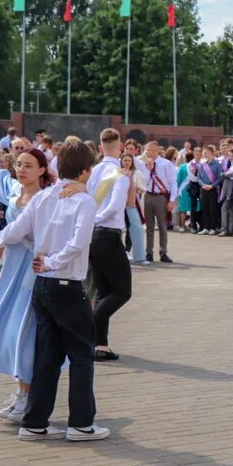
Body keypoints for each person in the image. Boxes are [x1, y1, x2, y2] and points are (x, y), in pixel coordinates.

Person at [0, 140, 109, 442]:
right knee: (82, 354)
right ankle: (82, 423)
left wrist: (9, 241)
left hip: (42, 286)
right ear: (86, 171)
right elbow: (79, 242)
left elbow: (11, 233)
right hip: (65, 283)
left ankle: (35, 422)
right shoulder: (81, 201)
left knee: (48, 355)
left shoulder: (44, 197)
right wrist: (52, 262)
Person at [0, 141, 76, 421]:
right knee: (12, 330)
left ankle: (28, 395)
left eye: (29, 165)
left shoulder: (50, 197)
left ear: (42, 170)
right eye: (19, 165)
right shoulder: (13, 190)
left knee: (25, 332)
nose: (22, 169)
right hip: (11, 273)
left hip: (35, 272)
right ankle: (23, 391)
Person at [87, 129, 132, 361]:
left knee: (105, 291)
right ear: (121, 145)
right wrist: (97, 220)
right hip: (107, 233)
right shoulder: (119, 173)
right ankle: (90, 321)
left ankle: (100, 345)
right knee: (122, 291)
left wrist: (89, 223)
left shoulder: (94, 171)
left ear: (100, 146)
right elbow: (115, 207)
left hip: (91, 236)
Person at [136, 140, 178, 262]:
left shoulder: (166, 164)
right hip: (148, 195)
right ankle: (149, 253)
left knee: (162, 226)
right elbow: (145, 182)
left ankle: (163, 252)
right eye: (147, 150)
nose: (149, 153)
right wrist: (148, 168)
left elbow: (173, 183)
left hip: (161, 197)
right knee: (149, 227)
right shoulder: (145, 164)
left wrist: (171, 200)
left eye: (151, 150)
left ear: (157, 150)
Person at [121, 153, 149, 265]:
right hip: (119, 203)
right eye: (125, 160)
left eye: (129, 160)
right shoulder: (117, 172)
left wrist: (134, 188)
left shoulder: (137, 173)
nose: (127, 162)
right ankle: (120, 250)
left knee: (133, 227)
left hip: (132, 203)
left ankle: (129, 250)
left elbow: (142, 189)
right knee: (117, 227)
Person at [198, 145, 222, 235]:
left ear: (211, 153)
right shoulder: (202, 165)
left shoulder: (217, 165)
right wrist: (203, 185)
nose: (204, 154)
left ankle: (213, 228)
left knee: (213, 209)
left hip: (213, 189)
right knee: (205, 209)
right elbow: (198, 177)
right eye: (204, 153)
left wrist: (211, 186)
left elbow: (220, 178)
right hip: (204, 189)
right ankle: (206, 227)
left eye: (206, 152)